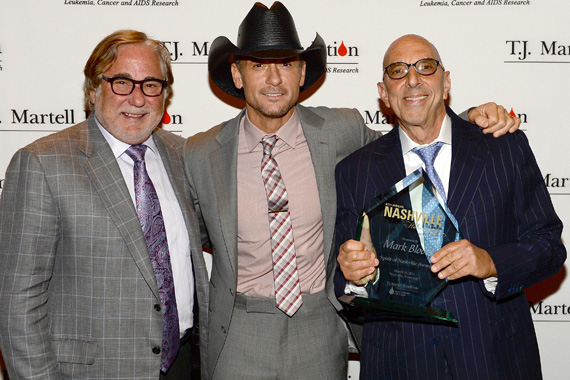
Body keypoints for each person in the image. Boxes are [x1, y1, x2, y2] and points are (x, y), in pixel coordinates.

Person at [184, 3, 520, 379]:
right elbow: (191, 231)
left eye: (286, 64)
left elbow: (414, 139)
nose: (275, 79)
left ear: (303, 72)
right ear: (237, 73)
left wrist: (473, 117)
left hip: (320, 329)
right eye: (259, 65)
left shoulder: (342, 130)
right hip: (239, 334)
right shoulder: (201, 153)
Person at [335, 34, 566, 380]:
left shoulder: (504, 148)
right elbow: (345, 278)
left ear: (446, 84)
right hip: (399, 364)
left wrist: (489, 262)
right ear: (384, 94)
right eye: (398, 71)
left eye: (425, 67)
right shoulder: (355, 171)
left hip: (492, 358)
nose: (412, 79)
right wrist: (354, 275)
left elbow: (549, 246)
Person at [0, 30, 208, 380]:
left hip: (184, 365)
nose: (138, 99)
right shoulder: (42, 163)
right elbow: (17, 304)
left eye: (151, 84)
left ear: (165, 94)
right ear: (94, 89)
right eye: (122, 82)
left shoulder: (183, 156)